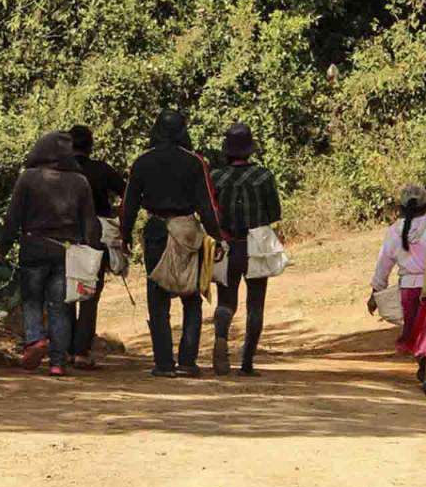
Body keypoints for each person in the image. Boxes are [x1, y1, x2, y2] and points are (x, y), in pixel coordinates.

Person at [121, 109, 223, 378]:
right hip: (188, 232)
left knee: (158, 301)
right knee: (191, 299)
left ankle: (164, 364)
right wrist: (218, 237)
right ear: (182, 131)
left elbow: (128, 205)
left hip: (156, 232)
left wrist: (124, 236)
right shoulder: (195, 162)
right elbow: (208, 205)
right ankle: (187, 363)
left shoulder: (142, 162)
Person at [0, 131, 100, 377]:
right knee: (60, 306)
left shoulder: (28, 179)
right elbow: (90, 222)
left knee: (31, 299)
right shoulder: (80, 182)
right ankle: (57, 362)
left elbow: (13, 217)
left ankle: (35, 340)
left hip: (33, 246)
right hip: (66, 251)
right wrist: (92, 251)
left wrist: (3, 248)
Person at [368, 184, 426, 397]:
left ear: (400, 208)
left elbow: (383, 264)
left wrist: (375, 293)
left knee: (415, 333)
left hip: (409, 289)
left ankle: (423, 365)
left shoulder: (394, 231)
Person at [211, 123, 281, 377]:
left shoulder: (216, 177)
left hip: (228, 246)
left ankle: (220, 337)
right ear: (249, 149)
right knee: (255, 304)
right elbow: (275, 213)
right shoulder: (263, 176)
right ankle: (247, 362)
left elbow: (210, 211)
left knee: (226, 301)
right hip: (257, 246)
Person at [68, 125, 126, 369]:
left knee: (67, 293)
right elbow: (127, 192)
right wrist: (116, 216)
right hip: (97, 236)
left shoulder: (59, 171)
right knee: (90, 294)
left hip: (66, 237)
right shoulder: (101, 170)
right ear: (90, 146)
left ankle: (66, 350)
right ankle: (81, 352)